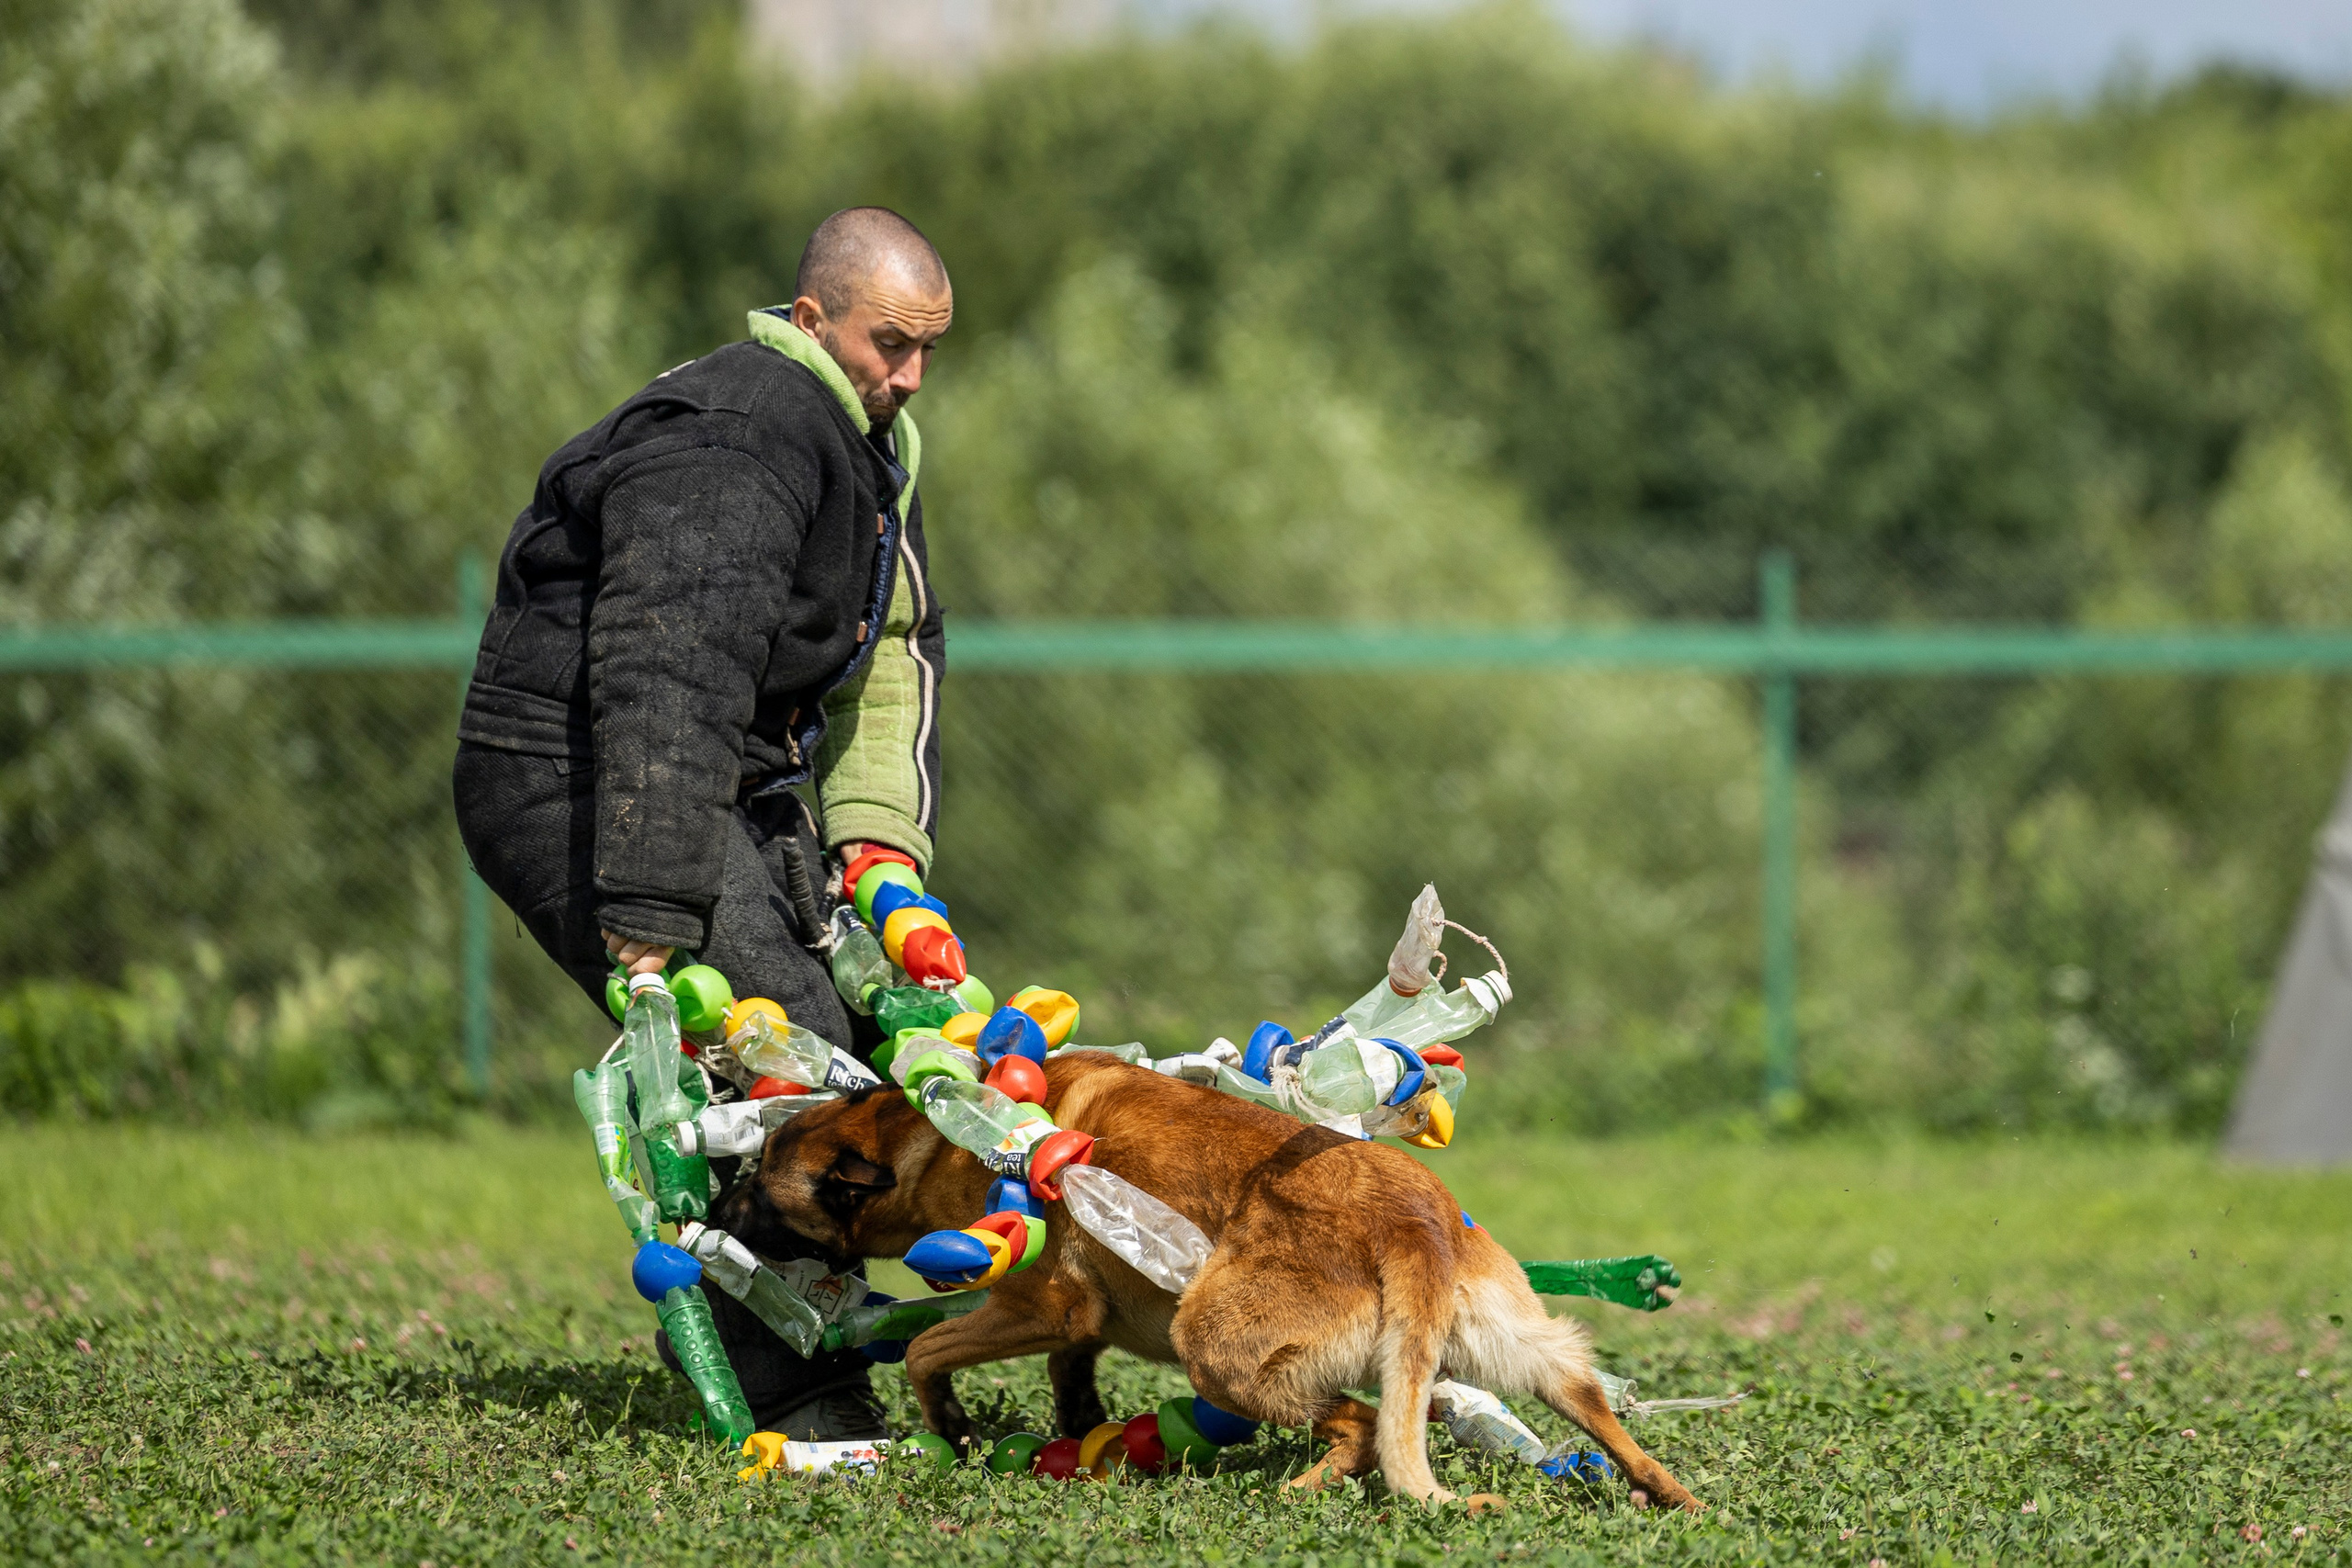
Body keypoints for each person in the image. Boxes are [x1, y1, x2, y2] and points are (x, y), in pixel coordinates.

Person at [452, 207, 951, 1442]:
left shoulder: (869, 436)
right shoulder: (738, 437)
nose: (911, 375)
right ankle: (796, 1394)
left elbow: (895, 647)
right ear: (814, 317)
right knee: (785, 1062)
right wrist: (654, 913)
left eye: (929, 349)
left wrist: (878, 843)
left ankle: (828, 1343)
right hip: (582, 778)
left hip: (730, 784)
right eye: (891, 343)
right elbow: (669, 670)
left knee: (881, 1054)